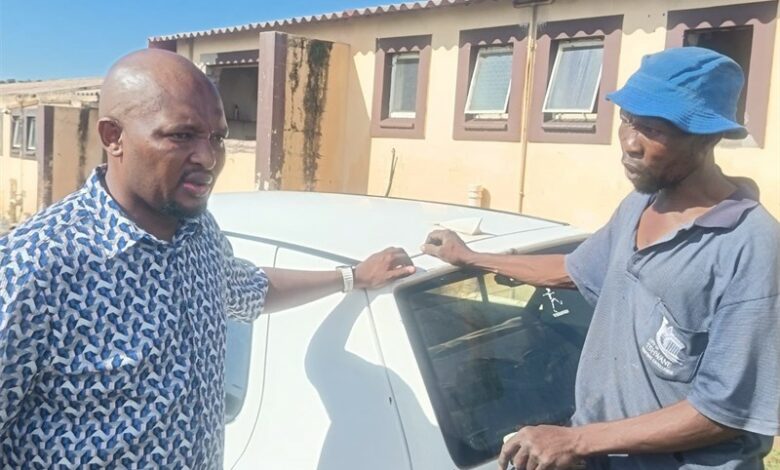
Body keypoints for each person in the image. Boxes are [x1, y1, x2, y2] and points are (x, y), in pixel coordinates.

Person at [0, 49, 415, 468]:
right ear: (113, 137)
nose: (209, 157)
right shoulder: (35, 265)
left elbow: (250, 289)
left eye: (217, 137)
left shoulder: (199, 234)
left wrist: (352, 276)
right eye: (182, 135)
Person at [422, 47, 779, 469]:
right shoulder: (642, 204)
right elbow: (572, 270)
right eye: (627, 120)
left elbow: (725, 412)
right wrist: (472, 257)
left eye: (652, 129)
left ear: (707, 138)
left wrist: (577, 441)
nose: (629, 143)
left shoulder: (751, 248)